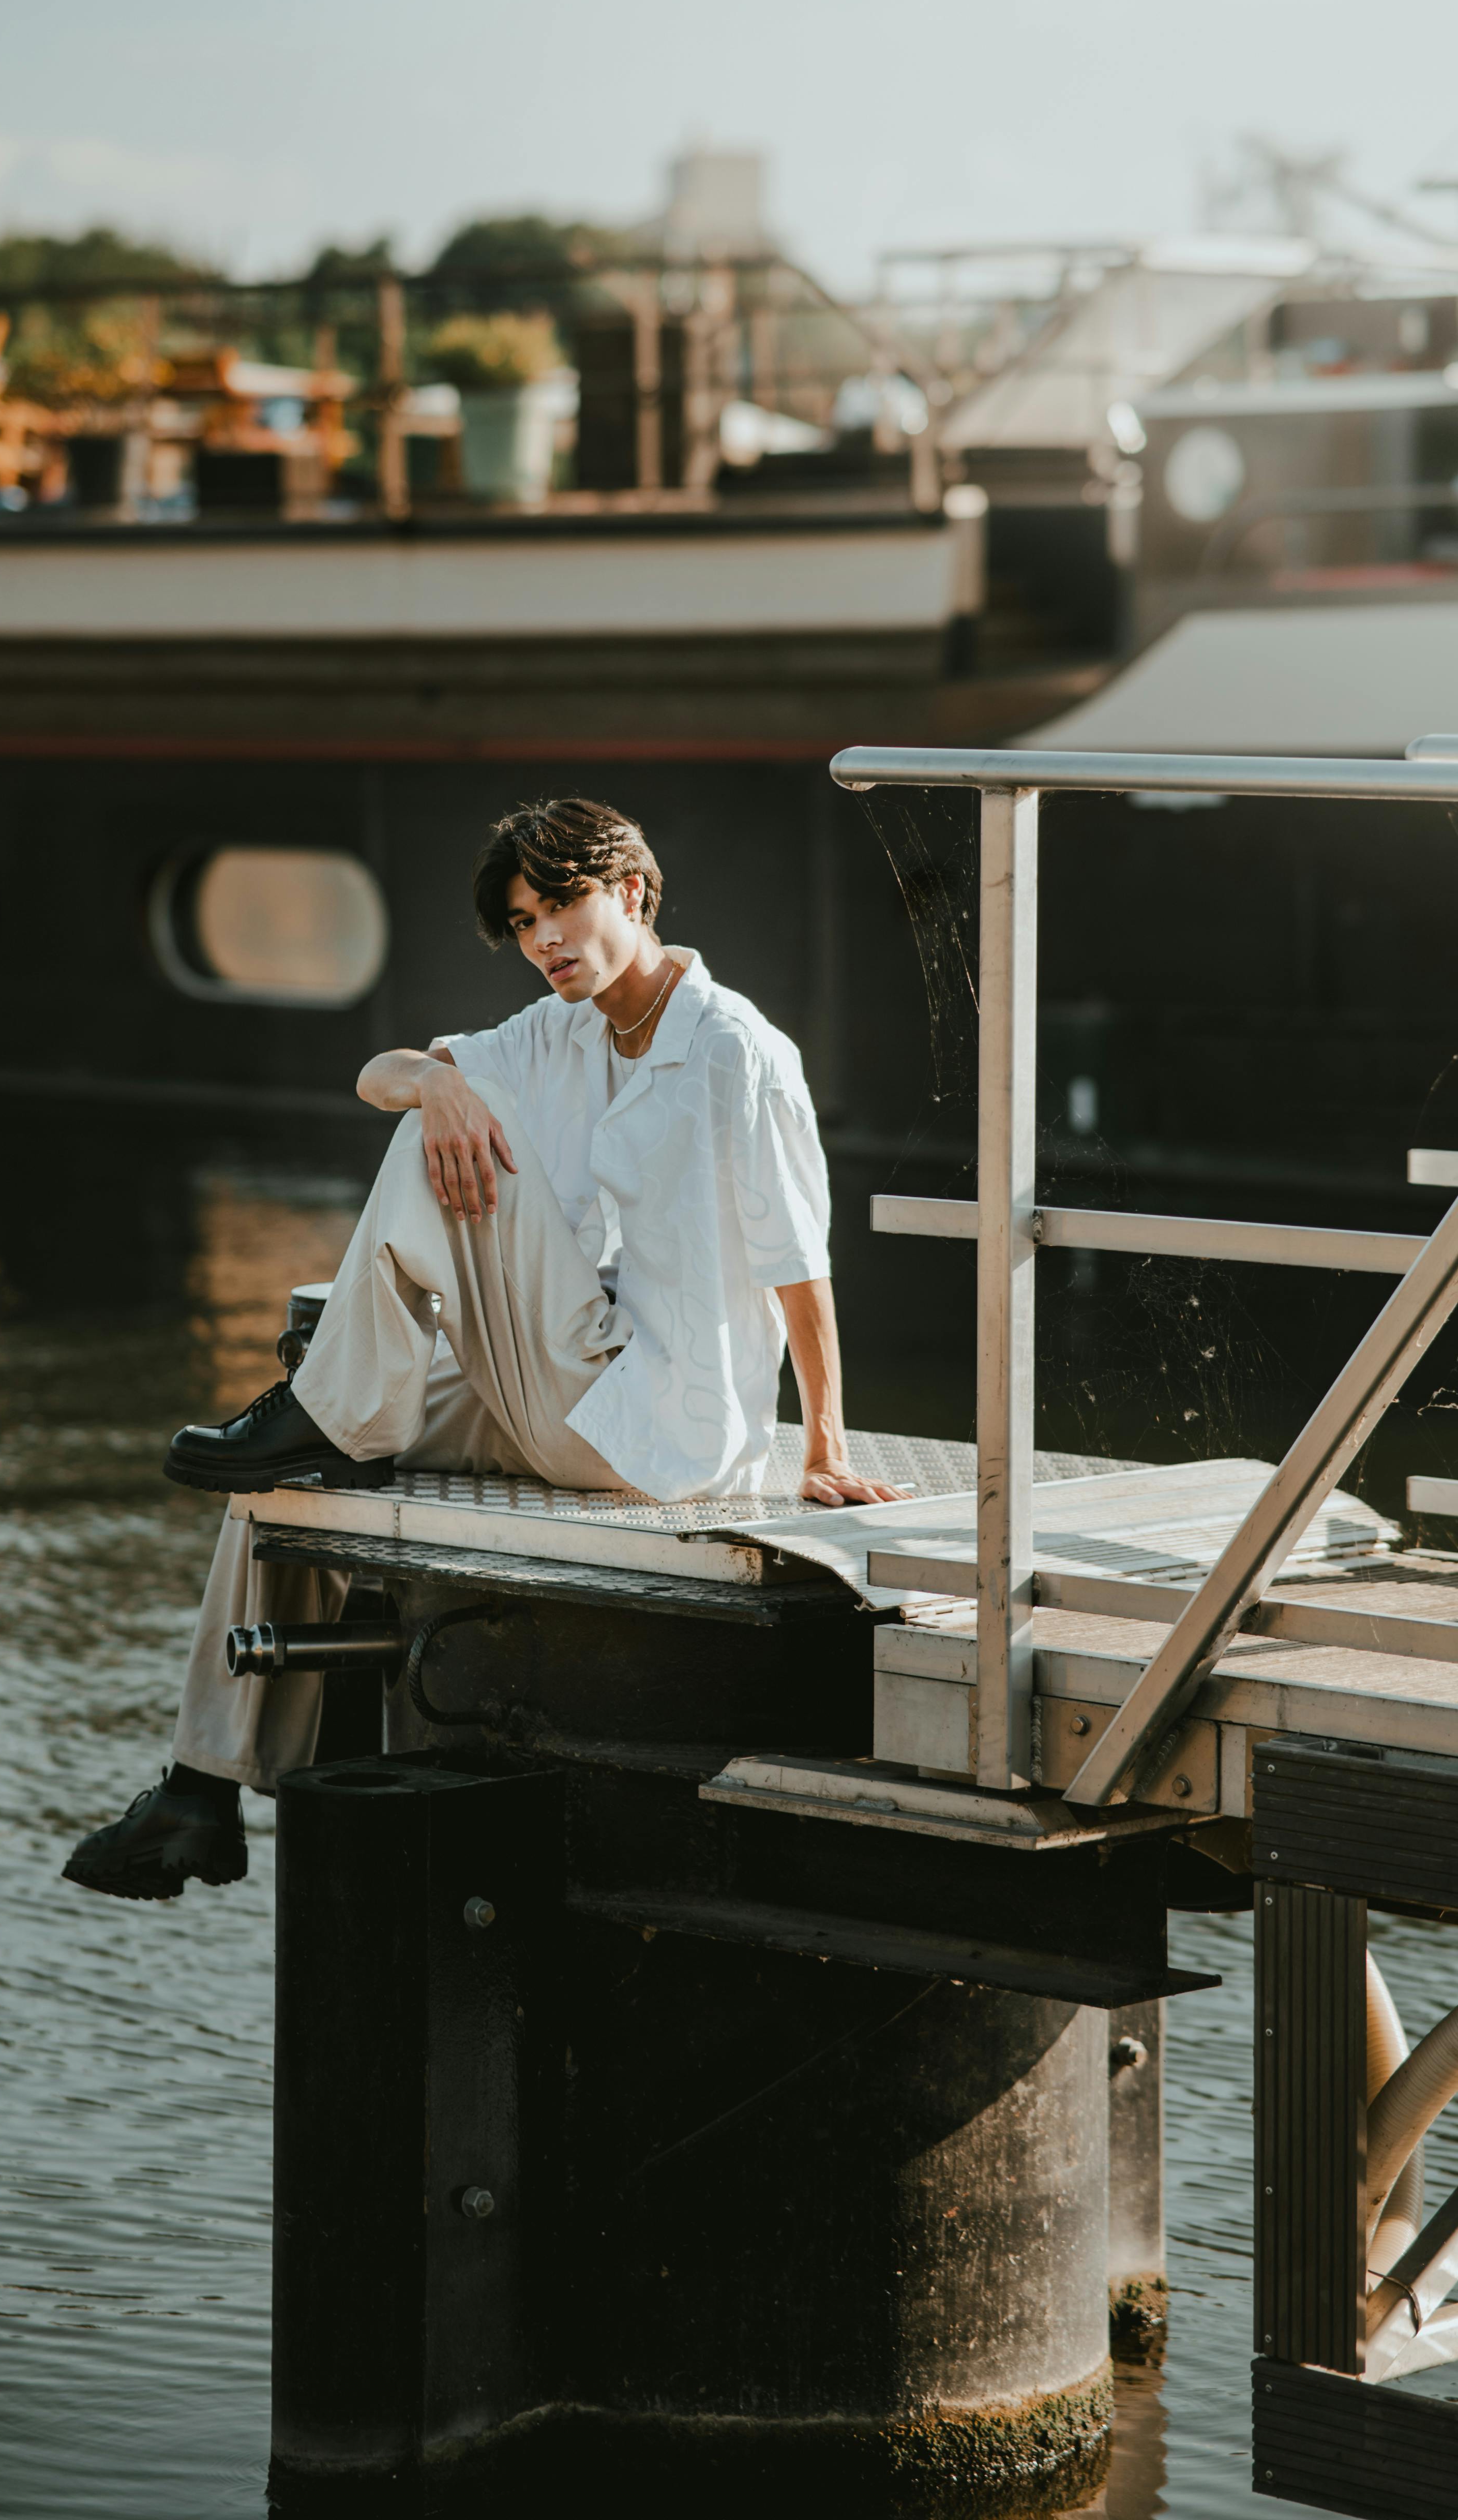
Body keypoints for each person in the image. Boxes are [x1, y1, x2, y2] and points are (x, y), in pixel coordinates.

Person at [62, 795, 902, 1902]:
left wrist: (824, 1442)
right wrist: (439, 1078)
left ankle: (330, 1408)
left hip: (657, 1421)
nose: (543, 940)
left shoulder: (738, 1053)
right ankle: (197, 1792)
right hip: (566, 1393)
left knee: (434, 1148)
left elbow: (800, 1261)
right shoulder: (558, 1033)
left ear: (634, 894)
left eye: (562, 905)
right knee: (284, 1489)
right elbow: (378, 1073)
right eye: (520, 922)